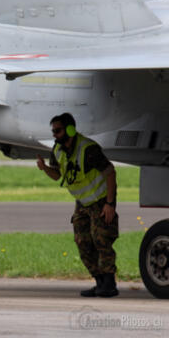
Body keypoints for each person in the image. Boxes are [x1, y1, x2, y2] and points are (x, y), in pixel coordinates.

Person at [36, 112, 119, 297]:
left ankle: (109, 283)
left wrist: (110, 204)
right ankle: (99, 282)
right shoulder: (57, 151)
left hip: (100, 201)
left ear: (70, 130)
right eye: (53, 131)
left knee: (101, 239)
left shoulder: (88, 149)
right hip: (82, 202)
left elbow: (110, 173)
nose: (54, 135)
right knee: (82, 241)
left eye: (57, 131)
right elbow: (58, 175)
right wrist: (45, 169)